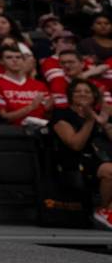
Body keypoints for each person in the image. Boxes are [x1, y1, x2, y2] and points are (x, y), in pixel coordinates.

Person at [48, 81, 112, 230]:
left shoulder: (100, 115)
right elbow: (75, 145)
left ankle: (108, 211)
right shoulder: (62, 115)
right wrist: (89, 121)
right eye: (78, 91)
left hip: (99, 158)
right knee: (110, 171)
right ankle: (103, 211)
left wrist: (104, 124)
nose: (82, 94)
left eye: (87, 91)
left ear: (94, 96)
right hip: (73, 161)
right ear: (70, 95)